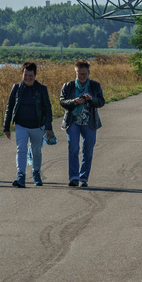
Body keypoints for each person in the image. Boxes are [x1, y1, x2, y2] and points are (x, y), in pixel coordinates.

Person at [3, 61, 54, 188]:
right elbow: (10, 107)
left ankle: (36, 173)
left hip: (38, 126)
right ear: (22, 74)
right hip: (21, 125)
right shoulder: (16, 88)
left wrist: (48, 127)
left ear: (35, 75)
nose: (27, 78)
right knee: (21, 149)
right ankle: (20, 175)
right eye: (25, 75)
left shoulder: (42, 89)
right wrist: (6, 126)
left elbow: (48, 108)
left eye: (30, 75)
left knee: (36, 150)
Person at [60, 59, 105, 187]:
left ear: (89, 73)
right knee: (73, 148)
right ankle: (74, 177)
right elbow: (62, 101)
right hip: (72, 122)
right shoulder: (68, 86)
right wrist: (74, 101)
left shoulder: (95, 86)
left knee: (88, 150)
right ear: (75, 73)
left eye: (84, 74)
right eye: (79, 74)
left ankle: (83, 178)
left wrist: (91, 100)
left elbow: (101, 102)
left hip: (89, 123)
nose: (81, 76)